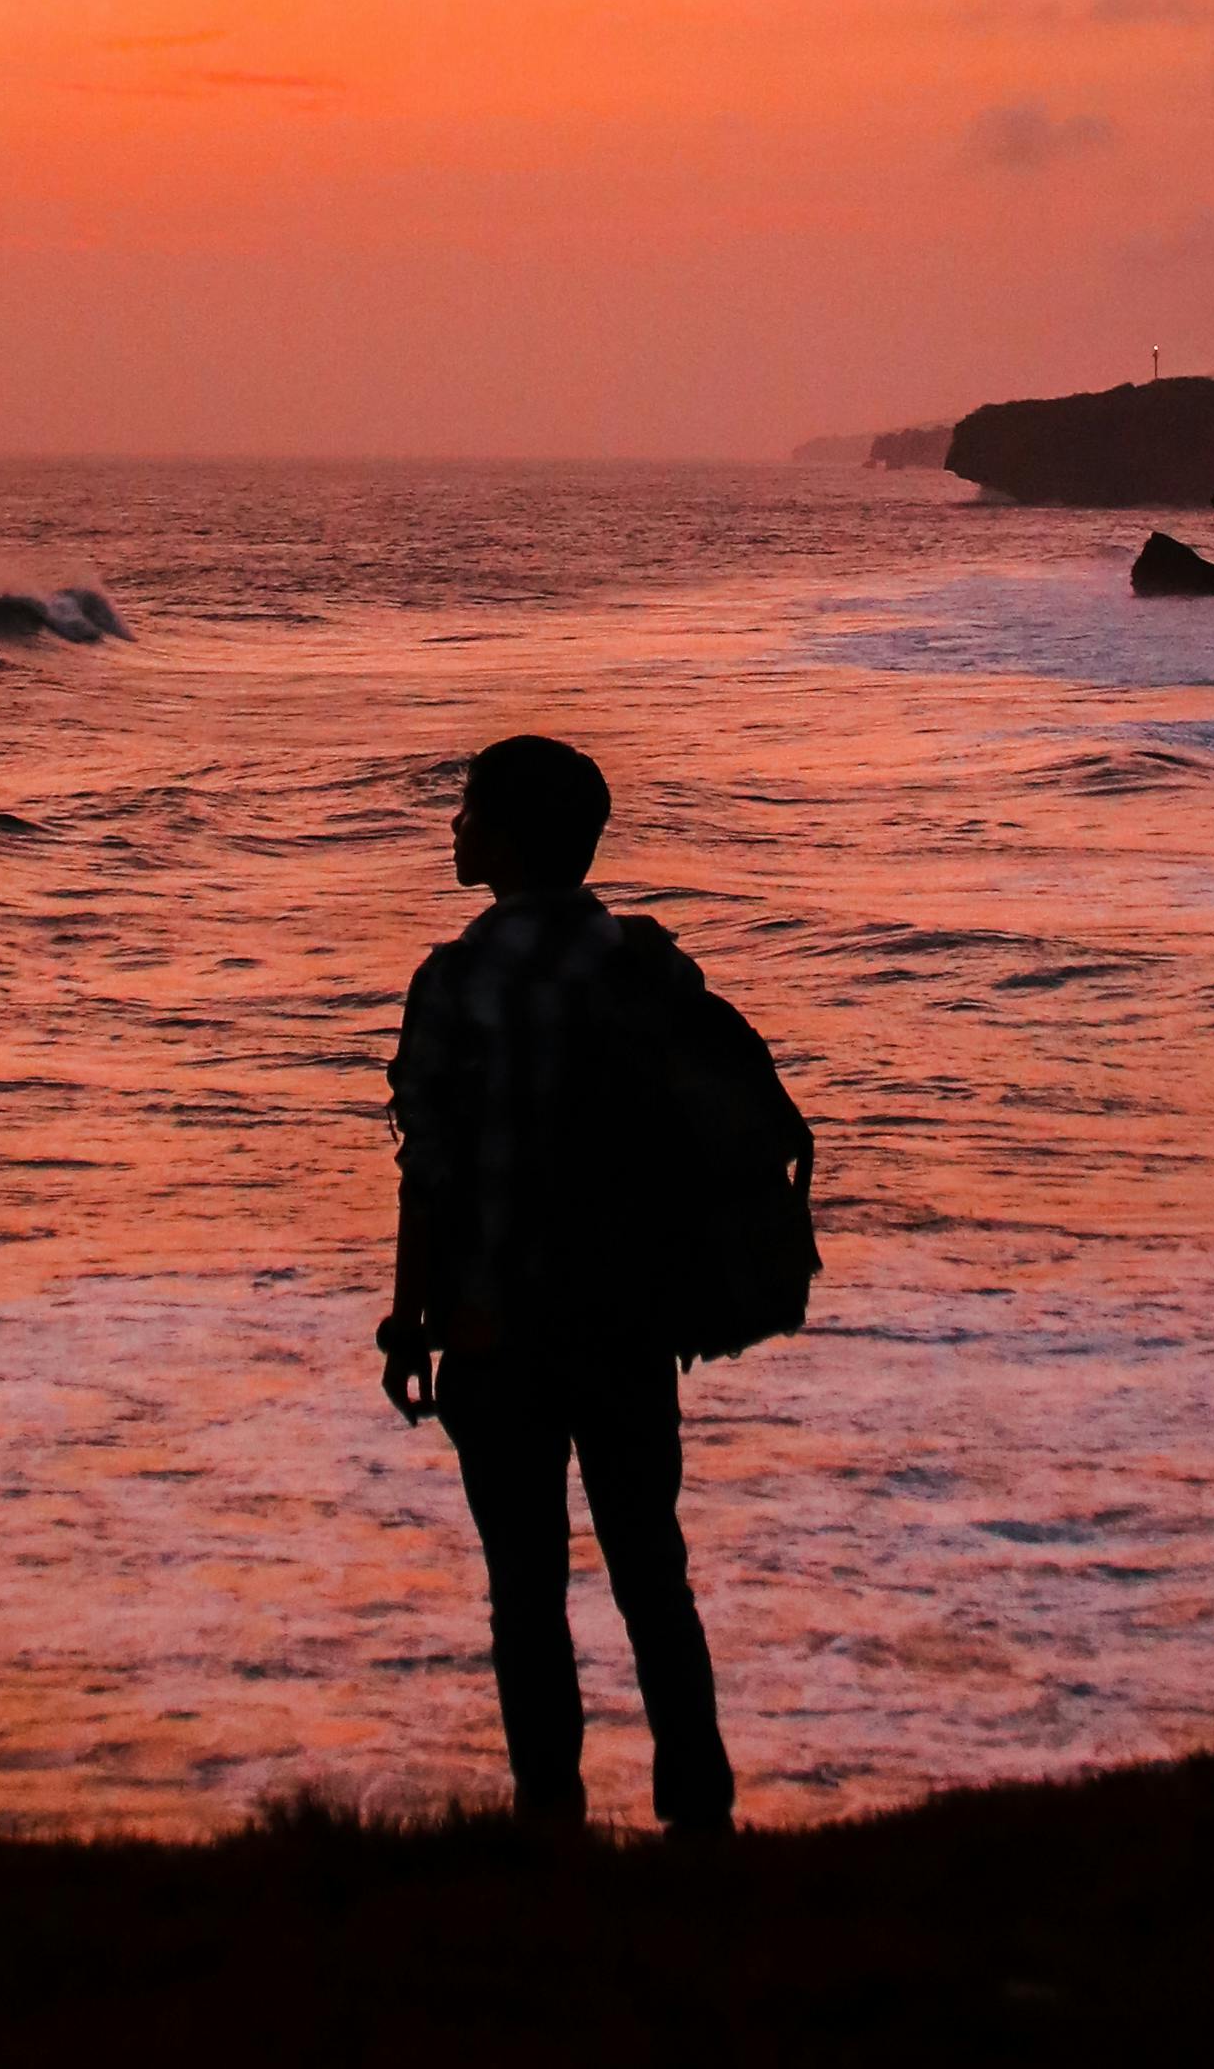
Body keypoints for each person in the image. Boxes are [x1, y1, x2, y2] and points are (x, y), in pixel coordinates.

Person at [380, 731, 772, 1836]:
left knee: (527, 1595)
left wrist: (408, 1325)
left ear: (507, 837)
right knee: (655, 1578)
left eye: (467, 811)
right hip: (630, 1323)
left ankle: (551, 1821)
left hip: (495, 1328)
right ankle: (700, 1818)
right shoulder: (646, 962)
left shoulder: (454, 980)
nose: (453, 829)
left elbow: (431, 1170)